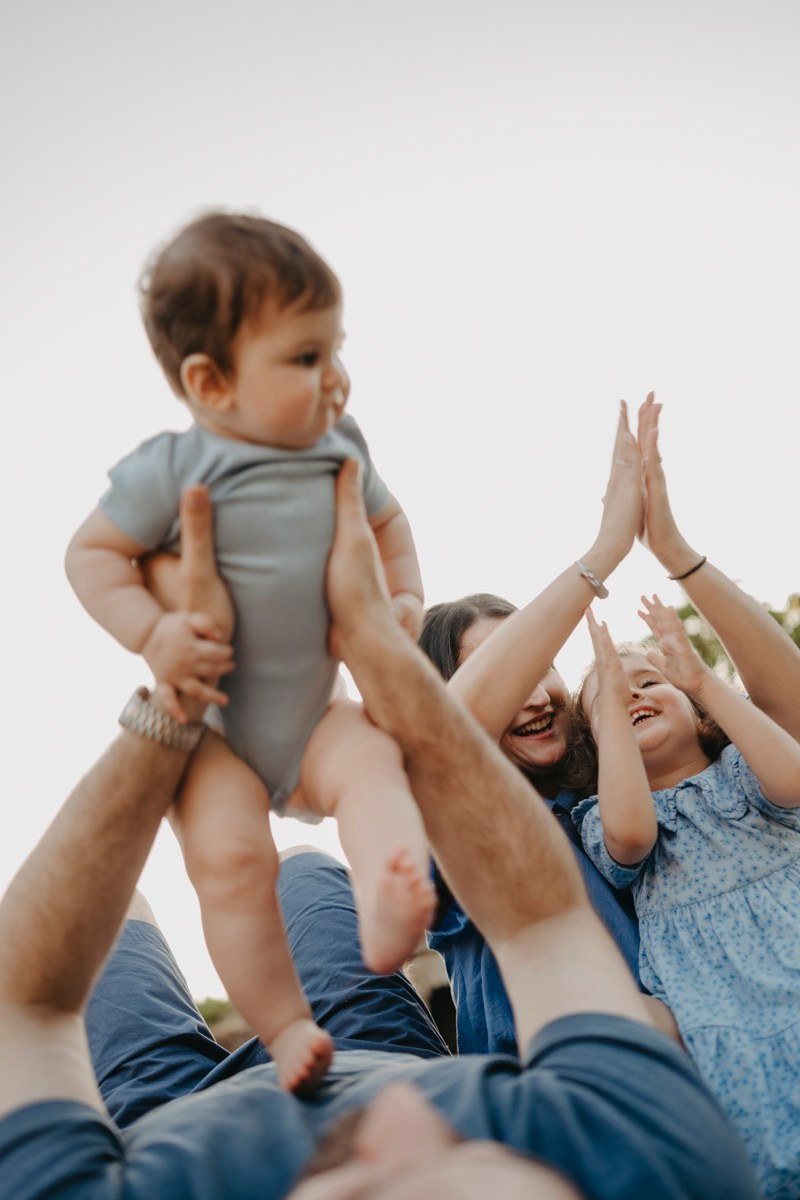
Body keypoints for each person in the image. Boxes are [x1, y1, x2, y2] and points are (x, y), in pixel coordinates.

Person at [0, 464, 761, 1199]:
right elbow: (546, 924)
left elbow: (27, 1005)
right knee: (300, 868)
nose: (402, 1117)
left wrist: (176, 702)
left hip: (152, 1109)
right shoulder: (649, 1159)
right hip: (376, 1044)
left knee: (142, 906)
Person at [64, 211, 432, 1090]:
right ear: (211, 380)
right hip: (218, 732)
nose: (336, 378)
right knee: (228, 866)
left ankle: (388, 900)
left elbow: (389, 522)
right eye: (306, 358)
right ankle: (283, 1023)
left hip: (314, 713)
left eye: (336, 349)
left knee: (374, 762)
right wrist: (153, 632)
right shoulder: (171, 469)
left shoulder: (341, 447)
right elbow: (91, 556)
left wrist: (406, 593)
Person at [421, 394, 800, 1062]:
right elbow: (444, 738)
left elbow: (787, 711)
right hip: (579, 1087)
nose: (536, 694)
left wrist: (676, 556)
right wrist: (605, 551)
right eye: (508, 675)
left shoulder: (629, 778)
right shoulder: (458, 817)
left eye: (544, 665)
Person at [575, 586, 800, 1199]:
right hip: (725, 1019)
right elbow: (629, 833)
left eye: (650, 681)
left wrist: (701, 679)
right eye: (612, 700)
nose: (632, 694)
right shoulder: (608, 814)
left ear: (697, 711)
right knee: (773, 1157)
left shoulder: (744, 769)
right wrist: (611, 712)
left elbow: (795, 779)